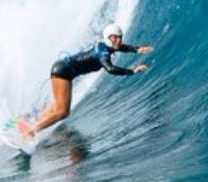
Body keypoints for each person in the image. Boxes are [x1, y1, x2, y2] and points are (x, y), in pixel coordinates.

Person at [22, 23, 153, 139]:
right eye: (114, 37)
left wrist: (136, 49)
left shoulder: (105, 45)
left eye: (119, 37)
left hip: (64, 68)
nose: (118, 40)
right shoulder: (102, 54)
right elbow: (110, 69)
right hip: (64, 71)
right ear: (108, 37)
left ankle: (30, 120)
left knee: (57, 106)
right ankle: (31, 130)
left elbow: (119, 47)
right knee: (62, 112)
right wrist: (131, 71)